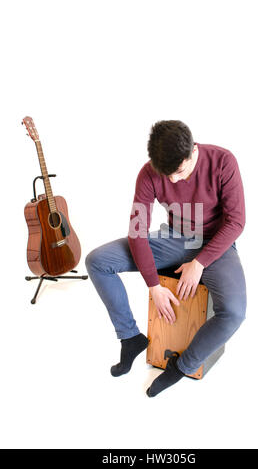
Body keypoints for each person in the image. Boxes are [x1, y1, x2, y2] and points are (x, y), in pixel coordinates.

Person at [85, 120, 247, 397]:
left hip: (215, 244)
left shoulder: (223, 161)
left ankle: (182, 366)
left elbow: (236, 222)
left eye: (179, 171)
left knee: (234, 312)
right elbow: (137, 232)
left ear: (193, 151)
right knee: (97, 261)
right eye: (166, 174)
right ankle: (130, 337)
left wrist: (200, 263)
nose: (172, 180)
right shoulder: (148, 173)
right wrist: (153, 285)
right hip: (174, 238)